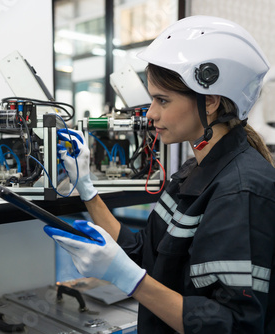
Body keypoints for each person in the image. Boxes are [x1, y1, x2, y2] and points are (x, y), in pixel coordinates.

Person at [45, 15, 275, 333]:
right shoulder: (192, 173)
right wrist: (87, 189)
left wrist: (130, 281)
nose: (151, 113)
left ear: (209, 101)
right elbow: (142, 252)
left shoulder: (241, 192)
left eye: (162, 100)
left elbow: (233, 325)